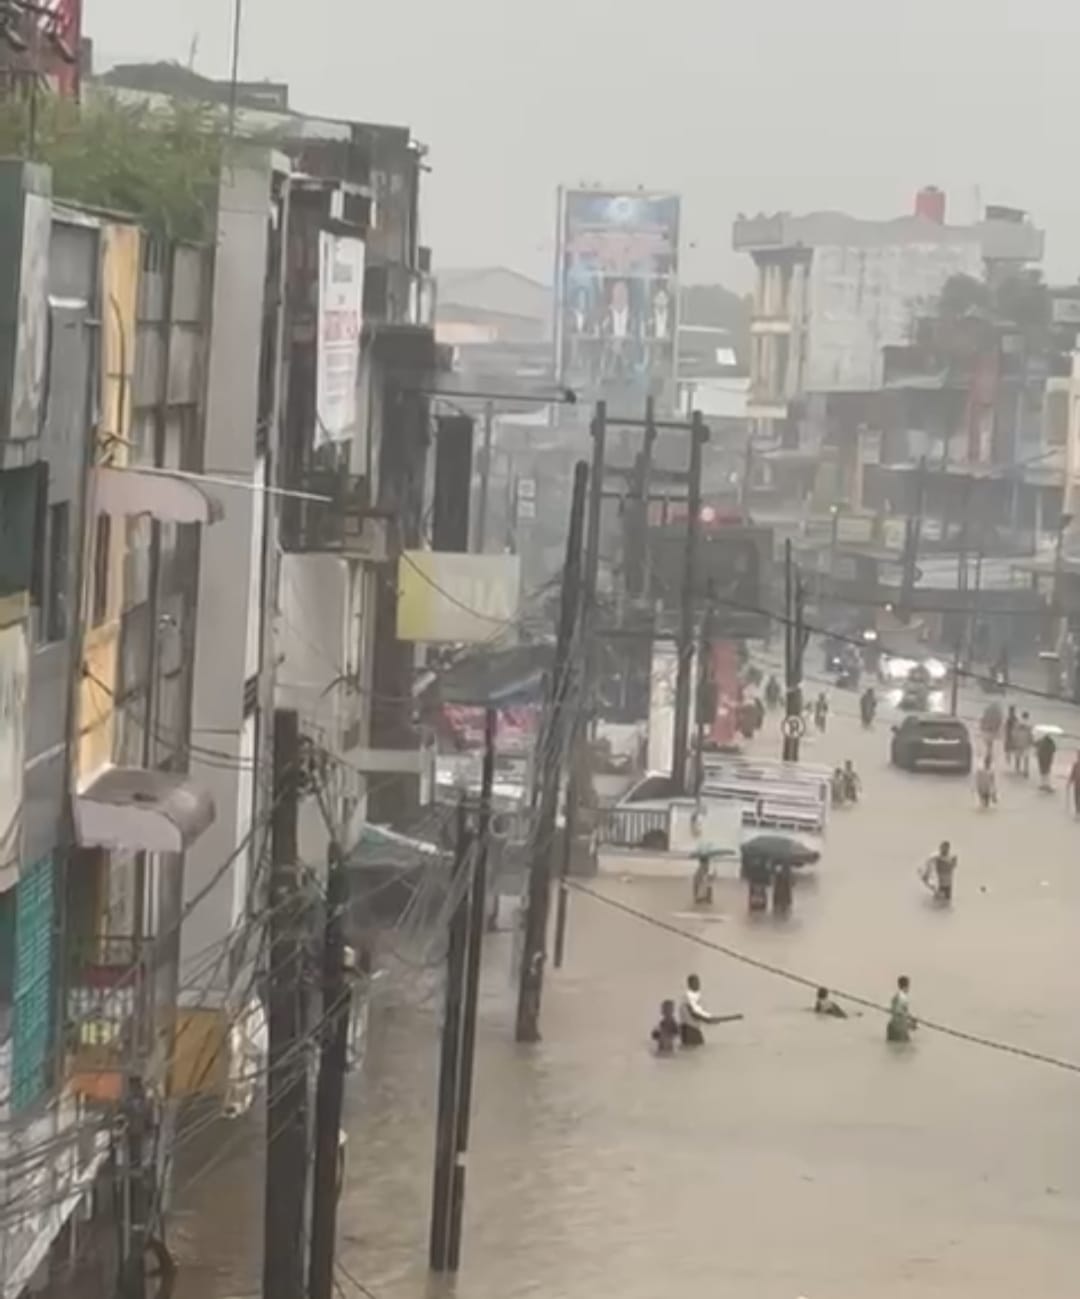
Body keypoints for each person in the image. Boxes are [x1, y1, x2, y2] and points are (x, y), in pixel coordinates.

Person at [679, 974, 717, 1046]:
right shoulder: (687, 997)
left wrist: (709, 1019)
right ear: (690, 984)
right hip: (688, 1030)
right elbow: (694, 1013)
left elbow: (699, 1013)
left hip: (694, 1029)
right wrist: (707, 1020)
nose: (698, 985)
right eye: (695, 983)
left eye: (698, 983)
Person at [886, 975, 917, 1043]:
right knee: (905, 1048)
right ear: (906, 986)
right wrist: (911, 1021)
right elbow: (900, 1013)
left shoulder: (895, 996)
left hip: (891, 1026)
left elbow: (896, 1012)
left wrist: (911, 1020)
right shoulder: (903, 998)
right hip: (899, 1028)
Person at [1013, 711, 1033, 777]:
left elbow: (1014, 733)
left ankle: (1017, 769)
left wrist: (1014, 741)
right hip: (1026, 743)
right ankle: (1026, 770)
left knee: (1017, 757)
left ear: (1022, 716)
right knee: (1026, 758)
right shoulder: (1029, 725)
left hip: (1018, 742)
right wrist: (1031, 742)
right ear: (1028, 717)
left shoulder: (1017, 723)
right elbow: (1031, 735)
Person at [1069, 752, 1080, 816]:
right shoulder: (1075, 765)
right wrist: (1069, 782)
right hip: (1076, 785)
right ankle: (1077, 812)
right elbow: (1072, 774)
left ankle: (1078, 812)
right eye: (1078, 756)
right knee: (1076, 799)